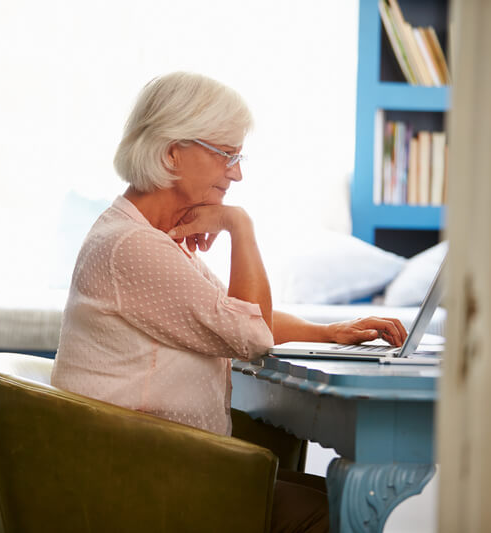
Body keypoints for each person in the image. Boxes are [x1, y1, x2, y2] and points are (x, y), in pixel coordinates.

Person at [51, 72, 407, 532]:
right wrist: (240, 226)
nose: (236, 172)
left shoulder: (149, 235)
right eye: (227, 155)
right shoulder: (133, 247)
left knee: (335, 499)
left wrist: (330, 333)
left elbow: (232, 313)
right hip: (143, 482)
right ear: (171, 152)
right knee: (343, 511)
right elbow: (251, 335)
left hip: (159, 466)